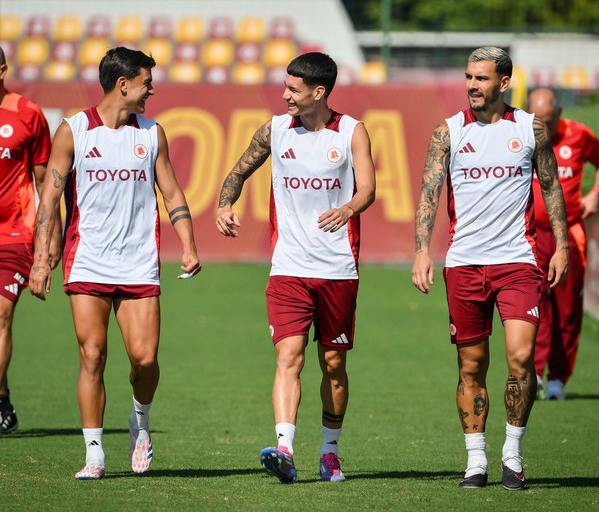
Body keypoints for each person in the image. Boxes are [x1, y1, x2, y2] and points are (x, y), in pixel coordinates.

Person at [29, 47, 201, 480]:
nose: (152, 90)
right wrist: (40, 259)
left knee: (145, 361)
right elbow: (49, 199)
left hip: (139, 263)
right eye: (146, 83)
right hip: (87, 261)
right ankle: (94, 454)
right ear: (123, 85)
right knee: (92, 355)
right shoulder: (73, 131)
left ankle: (140, 422)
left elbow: (172, 193)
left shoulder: (152, 133)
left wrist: (189, 245)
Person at [412, 47, 569, 491]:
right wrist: (422, 250)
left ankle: (512, 455)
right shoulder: (447, 132)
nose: (472, 85)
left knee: (520, 358)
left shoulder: (530, 128)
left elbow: (551, 186)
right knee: (472, 364)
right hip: (464, 264)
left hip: (518, 262)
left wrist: (560, 245)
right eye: (468, 77)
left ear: (504, 82)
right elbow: (428, 192)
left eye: (481, 78)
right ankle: (476, 460)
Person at [216, 52, 375, 483]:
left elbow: (368, 189)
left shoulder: (352, 131)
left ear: (318, 92)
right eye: (285, 87)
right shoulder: (274, 129)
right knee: (289, 357)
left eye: (293, 89)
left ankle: (329, 453)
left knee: (334, 365)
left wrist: (348, 208)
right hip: (287, 267)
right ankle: (284, 450)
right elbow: (238, 171)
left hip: (337, 268)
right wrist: (225, 204)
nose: (284, 95)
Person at [0, 46, 62, 435]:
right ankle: (2, 397)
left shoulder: (28, 113)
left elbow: (45, 182)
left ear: (2, 70)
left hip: (13, 234)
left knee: (0, 315)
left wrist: (51, 237)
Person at [528, 88, 599, 400]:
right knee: (533, 304)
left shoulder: (579, 135)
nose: (541, 128)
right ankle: (534, 373)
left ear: (559, 112)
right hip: (530, 233)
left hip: (568, 233)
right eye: (536, 121)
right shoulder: (522, 135)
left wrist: (594, 195)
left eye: (547, 121)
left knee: (568, 308)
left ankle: (558, 377)